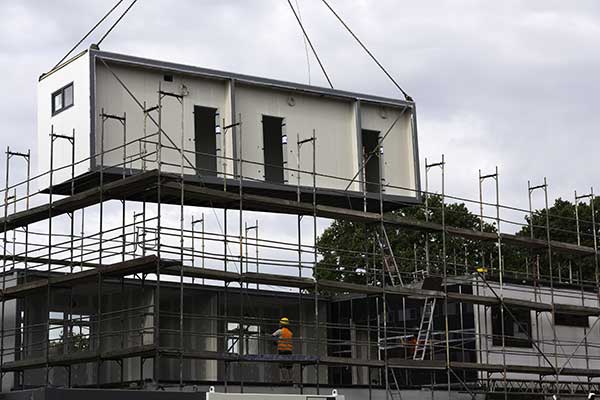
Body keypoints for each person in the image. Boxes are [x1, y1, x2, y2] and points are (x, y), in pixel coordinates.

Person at [272, 317, 293, 383]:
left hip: (282, 350)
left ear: (281, 324)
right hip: (289, 351)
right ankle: (290, 380)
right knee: (289, 366)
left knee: (282, 366)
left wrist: (275, 342)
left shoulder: (280, 331)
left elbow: (273, 336)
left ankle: (283, 380)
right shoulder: (290, 332)